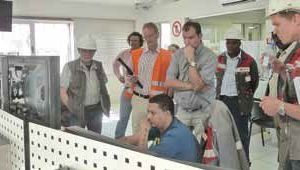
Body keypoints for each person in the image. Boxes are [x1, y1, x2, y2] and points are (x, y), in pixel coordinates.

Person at [260, 1, 300, 169]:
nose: (274, 30)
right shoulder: (295, 50)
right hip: (290, 143)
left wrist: (279, 106)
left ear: (296, 19)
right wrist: (284, 71)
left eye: (277, 24)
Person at [165, 21, 216, 143]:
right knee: (181, 145)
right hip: (182, 110)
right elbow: (169, 82)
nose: (187, 42)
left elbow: (198, 86)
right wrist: (191, 85)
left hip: (202, 111)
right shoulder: (177, 55)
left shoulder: (210, 56)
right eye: (185, 38)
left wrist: (191, 60)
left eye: (191, 37)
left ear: (200, 36)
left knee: (202, 148)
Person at [215, 27, 259, 162]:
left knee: (241, 136)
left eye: (233, 43)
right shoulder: (220, 58)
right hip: (222, 101)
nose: (230, 46)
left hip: (239, 104)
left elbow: (254, 82)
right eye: (228, 42)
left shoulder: (249, 61)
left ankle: (245, 163)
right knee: (223, 134)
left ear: (239, 43)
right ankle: (227, 161)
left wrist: (245, 97)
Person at [120, 94, 200, 163]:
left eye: (153, 113)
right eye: (148, 112)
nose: (148, 117)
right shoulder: (163, 125)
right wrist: (118, 142)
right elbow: (133, 139)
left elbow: (144, 161)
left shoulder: (174, 136)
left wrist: (144, 131)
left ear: (167, 114)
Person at [126, 22, 172, 134]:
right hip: (139, 99)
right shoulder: (136, 54)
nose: (148, 39)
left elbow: (171, 80)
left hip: (158, 102)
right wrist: (131, 79)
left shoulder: (168, 56)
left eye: (151, 36)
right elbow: (128, 75)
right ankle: (137, 152)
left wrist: (168, 100)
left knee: (157, 132)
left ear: (157, 34)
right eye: (146, 36)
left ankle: (155, 152)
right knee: (137, 131)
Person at [60, 34, 110, 134]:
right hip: (77, 111)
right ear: (79, 50)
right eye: (84, 50)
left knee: (95, 137)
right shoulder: (69, 67)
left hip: (96, 110)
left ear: (94, 52)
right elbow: (62, 91)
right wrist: (72, 108)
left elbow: (103, 83)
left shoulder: (99, 66)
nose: (88, 53)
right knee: (77, 138)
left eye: (91, 51)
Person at [113, 32, 143, 139]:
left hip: (141, 92)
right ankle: (118, 138)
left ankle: (139, 139)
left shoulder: (145, 53)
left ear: (140, 42)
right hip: (127, 89)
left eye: (135, 40)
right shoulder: (125, 53)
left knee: (139, 118)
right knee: (123, 116)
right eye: (131, 40)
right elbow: (115, 64)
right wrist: (119, 76)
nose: (133, 42)